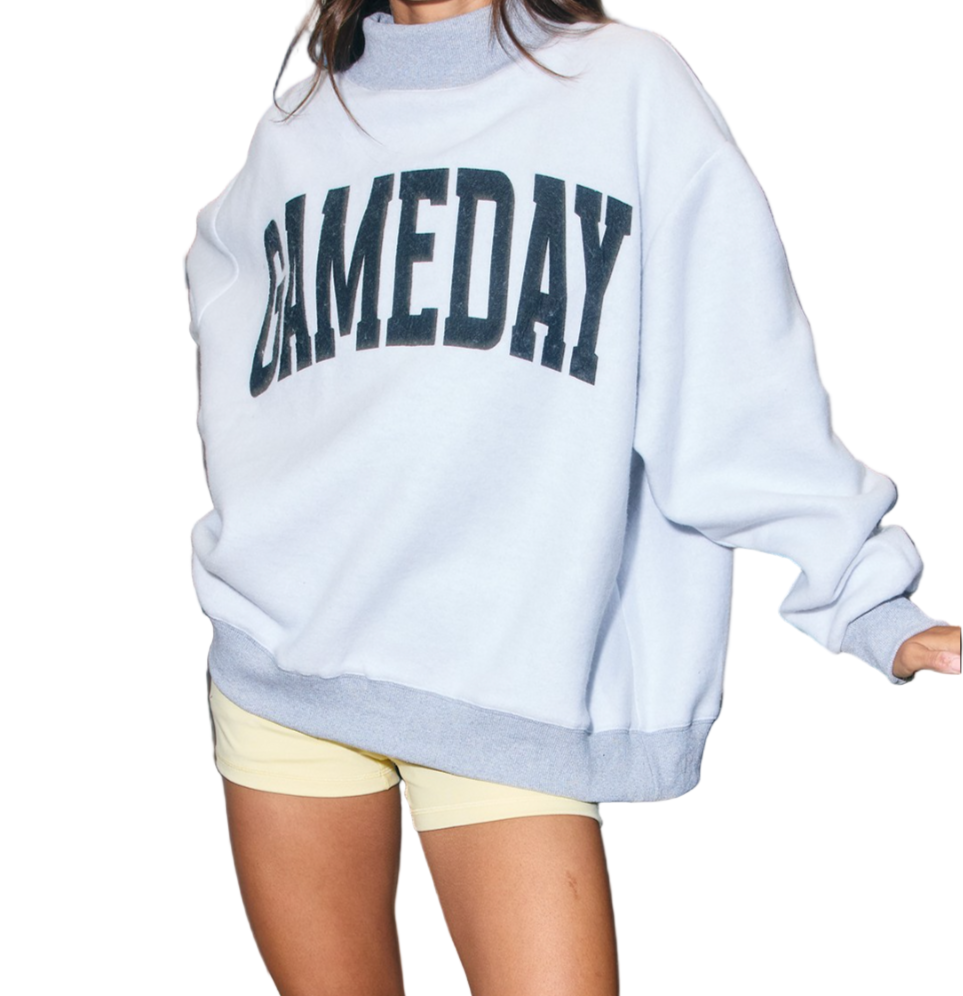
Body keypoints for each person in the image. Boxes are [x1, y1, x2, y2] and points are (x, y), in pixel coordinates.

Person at [184, 1, 961, 993]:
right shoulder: (302, 124)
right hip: (279, 668)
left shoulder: (624, 86)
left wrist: (863, 595)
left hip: (507, 681)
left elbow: (731, 371)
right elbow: (239, 316)